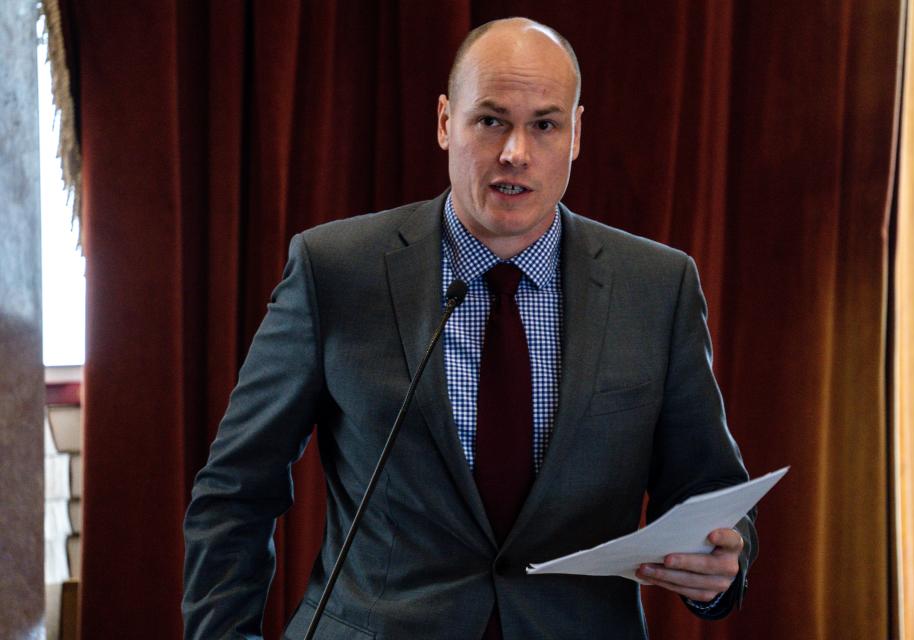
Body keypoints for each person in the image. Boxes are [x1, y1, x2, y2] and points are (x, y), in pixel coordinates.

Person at [183, 17, 756, 640]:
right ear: (443, 122)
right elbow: (236, 488)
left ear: (576, 134)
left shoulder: (657, 286)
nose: (516, 152)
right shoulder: (337, 270)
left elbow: (709, 485)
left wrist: (723, 559)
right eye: (490, 121)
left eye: (544, 124)